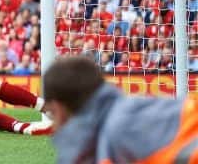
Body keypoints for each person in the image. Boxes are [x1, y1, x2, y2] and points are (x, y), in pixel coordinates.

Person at [43, 56, 198, 164]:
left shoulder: (122, 124)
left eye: (51, 114)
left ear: (59, 109)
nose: (54, 127)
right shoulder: (106, 133)